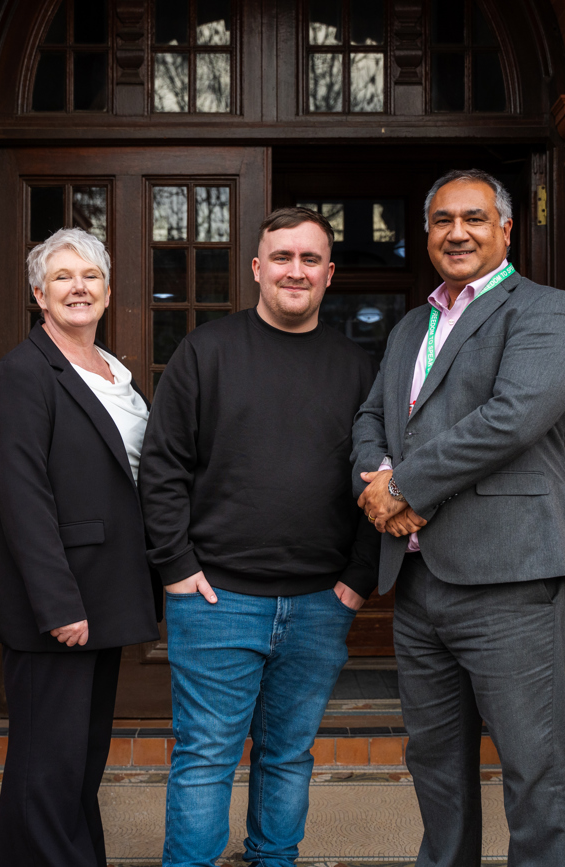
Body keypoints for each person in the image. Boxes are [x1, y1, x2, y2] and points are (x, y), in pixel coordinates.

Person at [352, 169, 565, 867]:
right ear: (426, 233)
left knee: (532, 766)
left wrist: (407, 487)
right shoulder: (410, 326)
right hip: (421, 581)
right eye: (442, 220)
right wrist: (375, 483)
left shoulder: (545, 310)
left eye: (475, 218)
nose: (457, 232)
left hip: (510, 578)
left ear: (506, 229)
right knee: (435, 764)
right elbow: (372, 417)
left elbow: (512, 418)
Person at [140, 207, 379, 867]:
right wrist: (176, 567)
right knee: (205, 756)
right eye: (282, 257)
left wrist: (358, 580)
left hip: (318, 604)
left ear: (329, 274)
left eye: (309, 259)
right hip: (215, 598)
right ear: (256, 268)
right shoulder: (206, 352)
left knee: (288, 755)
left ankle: (274, 859)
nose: (295, 270)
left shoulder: (358, 369)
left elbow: (378, 480)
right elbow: (162, 466)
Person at [0, 227, 161, 867]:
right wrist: (59, 606)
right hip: (59, 608)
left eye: (89, 276)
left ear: (108, 292)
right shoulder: (24, 373)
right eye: (62, 277)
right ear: (39, 294)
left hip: (108, 592)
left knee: (76, 765)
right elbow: (26, 500)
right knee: (48, 766)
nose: (77, 287)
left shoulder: (115, 372)